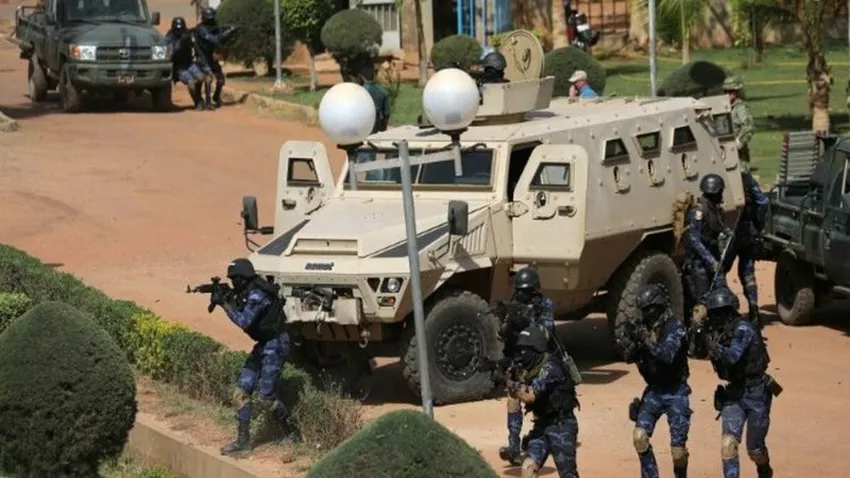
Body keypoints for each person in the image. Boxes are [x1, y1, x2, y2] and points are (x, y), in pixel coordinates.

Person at [211, 258, 295, 455]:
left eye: (235, 279)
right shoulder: (247, 292)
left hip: (275, 344)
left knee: (266, 397)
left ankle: (290, 433)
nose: (233, 283)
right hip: (264, 344)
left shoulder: (258, 295)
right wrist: (227, 297)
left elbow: (244, 321)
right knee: (240, 392)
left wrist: (223, 303)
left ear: (244, 278)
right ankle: (243, 441)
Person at [702, 287, 780, 478]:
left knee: (755, 450)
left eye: (720, 313)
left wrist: (715, 348)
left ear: (729, 312)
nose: (716, 317)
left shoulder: (744, 328)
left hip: (756, 393)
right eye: (713, 313)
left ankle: (764, 469)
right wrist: (698, 333)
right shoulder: (718, 332)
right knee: (728, 445)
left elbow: (733, 356)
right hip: (734, 393)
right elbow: (695, 352)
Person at [625, 284, 691, 478]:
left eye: (648, 309)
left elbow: (667, 355)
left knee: (678, 452)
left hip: (676, 392)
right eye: (643, 310)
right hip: (654, 391)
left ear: (659, 307)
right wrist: (632, 342)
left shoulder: (675, 327)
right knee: (640, 437)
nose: (645, 314)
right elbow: (629, 356)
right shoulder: (645, 328)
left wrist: (646, 342)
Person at [499, 267, 557, 466]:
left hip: (542, 362)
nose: (520, 294)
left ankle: (537, 441)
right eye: (519, 291)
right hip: (521, 361)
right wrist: (509, 323)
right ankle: (513, 447)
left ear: (533, 290)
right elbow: (502, 335)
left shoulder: (545, 304)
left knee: (541, 407)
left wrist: (526, 322)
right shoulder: (515, 304)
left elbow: (546, 333)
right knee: (513, 399)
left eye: (524, 291)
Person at [506, 325, 580, 478]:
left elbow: (529, 395)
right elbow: (513, 402)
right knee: (528, 468)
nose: (521, 354)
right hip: (541, 426)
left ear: (536, 349)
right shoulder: (526, 370)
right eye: (520, 350)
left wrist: (509, 383)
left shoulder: (551, 367)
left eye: (525, 350)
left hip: (562, 426)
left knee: (568, 475)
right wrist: (514, 442)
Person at [682, 173, 731, 325]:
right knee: (702, 301)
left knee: (721, 293)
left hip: (713, 258)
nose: (722, 194)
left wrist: (727, 232)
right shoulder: (698, 211)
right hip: (700, 264)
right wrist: (710, 260)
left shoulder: (715, 208)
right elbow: (694, 240)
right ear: (715, 192)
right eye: (720, 191)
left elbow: (718, 226)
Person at [733, 171, 769, 327]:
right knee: (748, 272)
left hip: (730, 232)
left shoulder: (721, 176)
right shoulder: (748, 179)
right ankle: (754, 311)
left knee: (719, 272)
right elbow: (763, 202)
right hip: (748, 231)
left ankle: (726, 310)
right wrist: (758, 223)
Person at [193, 7, 236, 110]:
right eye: (209, 19)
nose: (211, 20)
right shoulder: (201, 29)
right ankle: (205, 102)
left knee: (220, 79)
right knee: (207, 79)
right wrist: (228, 32)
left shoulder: (214, 26)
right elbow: (215, 40)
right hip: (202, 57)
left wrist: (230, 32)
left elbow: (221, 40)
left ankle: (216, 97)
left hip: (211, 56)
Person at [164, 16, 204, 110]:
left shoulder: (187, 33)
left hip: (189, 63)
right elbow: (168, 55)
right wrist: (179, 44)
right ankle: (197, 101)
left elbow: (195, 45)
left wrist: (190, 40)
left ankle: (198, 96)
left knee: (201, 77)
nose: (180, 31)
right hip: (178, 67)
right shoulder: (169, 37)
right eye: (178, 29)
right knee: (191, 83)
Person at [724, 76, 754, 172]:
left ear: (736, 92)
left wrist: (739, 142)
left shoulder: (741, 108)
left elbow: (748, 128)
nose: (728, 94)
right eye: (726, 91)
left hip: (739, 155)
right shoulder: (725, 107)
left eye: (730, 92)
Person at [357, 65, 391, 133]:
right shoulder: (383, 92)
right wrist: (383, 129)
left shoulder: (358, 92)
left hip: (362, 124)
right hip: (377, 124)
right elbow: (386, 113)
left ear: (362, 78)